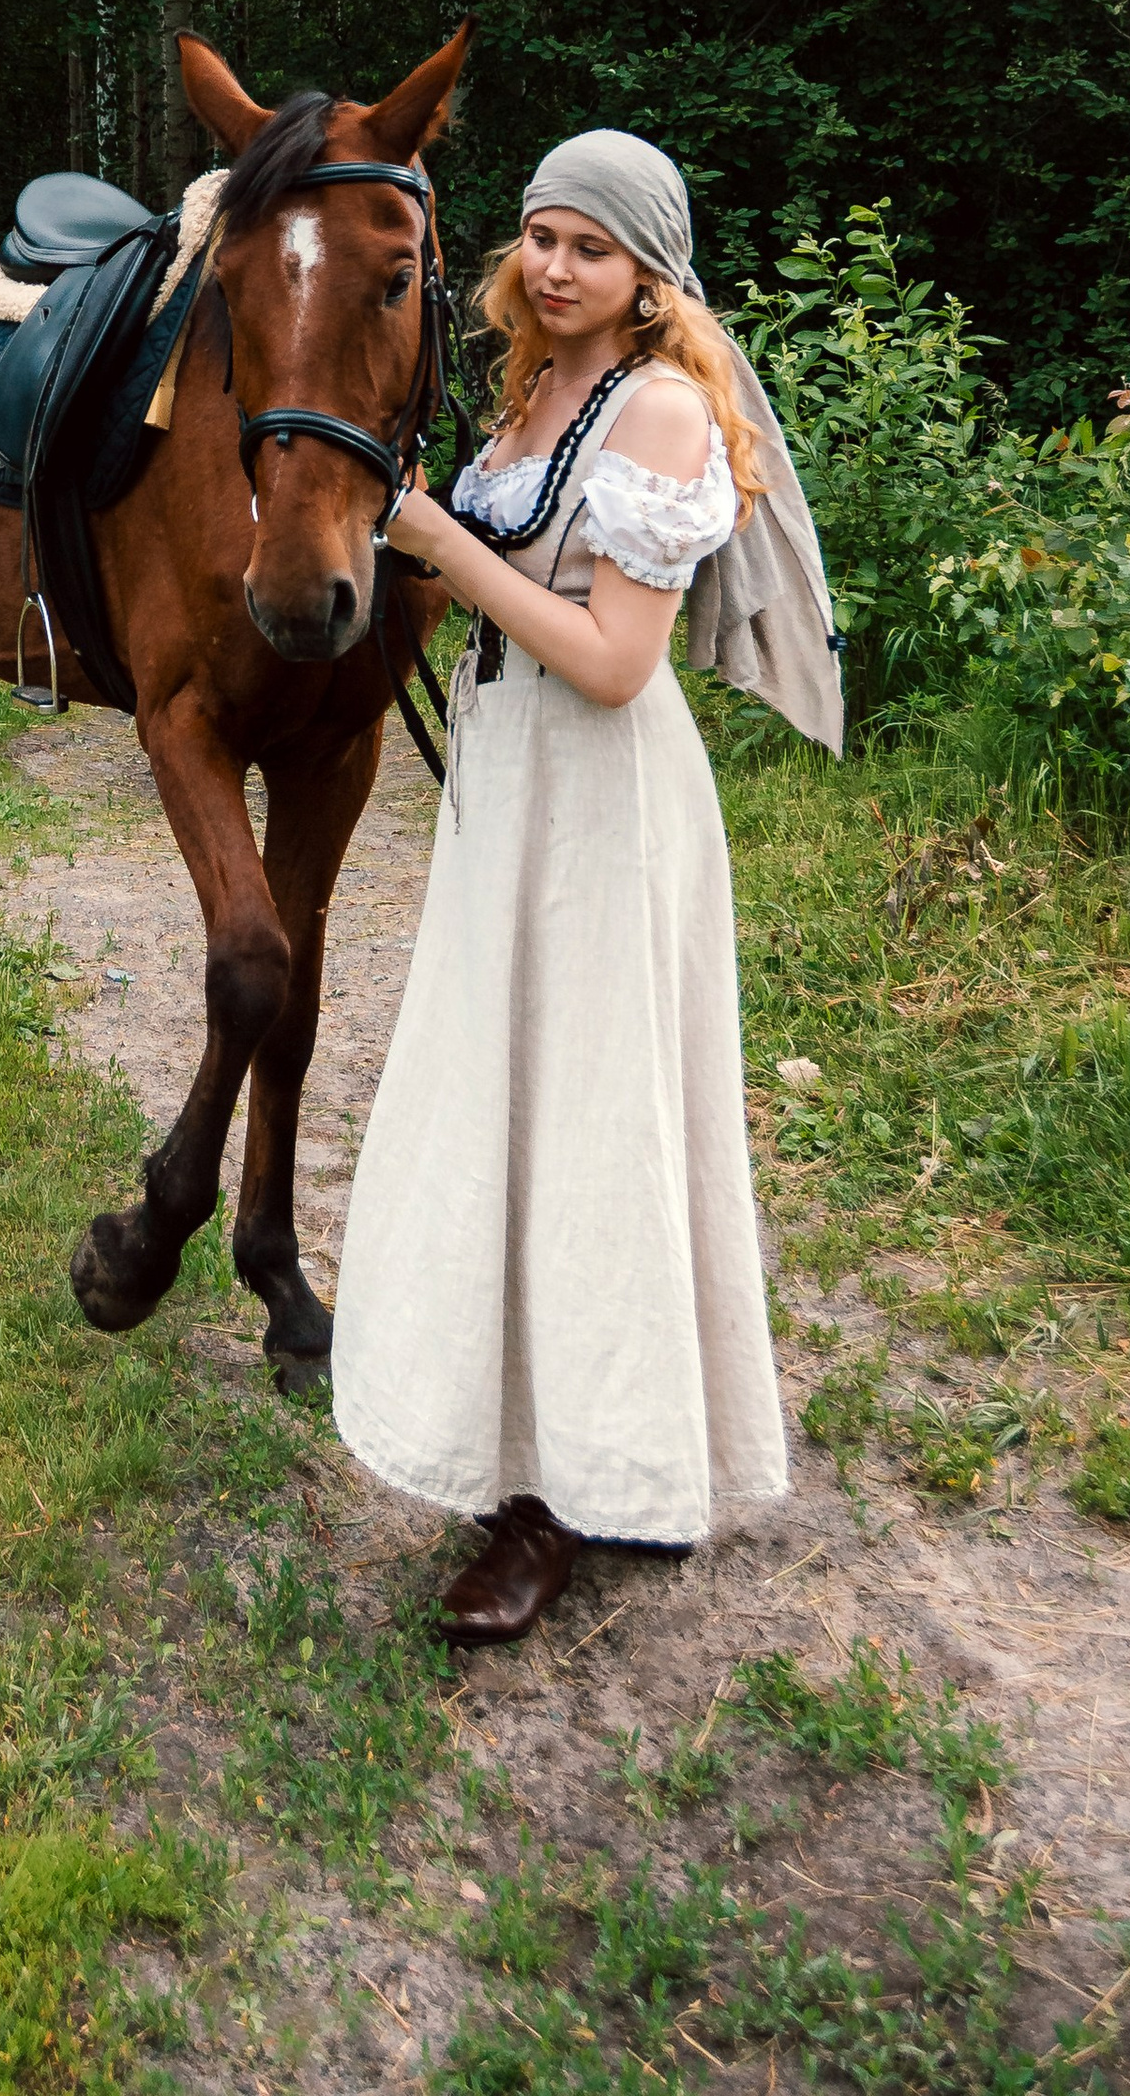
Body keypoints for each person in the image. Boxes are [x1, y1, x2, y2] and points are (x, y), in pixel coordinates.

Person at [329, 130, 843, 1646]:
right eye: (541, 238)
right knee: (509, 1111)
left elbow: (616, 662)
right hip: (511, 796)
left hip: (603, 807)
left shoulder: (666, 410)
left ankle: (558, 1498)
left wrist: (426, 530)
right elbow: (500, 587)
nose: (554, 268)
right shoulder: (532, 397)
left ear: (647, 273)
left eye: (590, 248)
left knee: (593, 1129)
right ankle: (569, 1451)